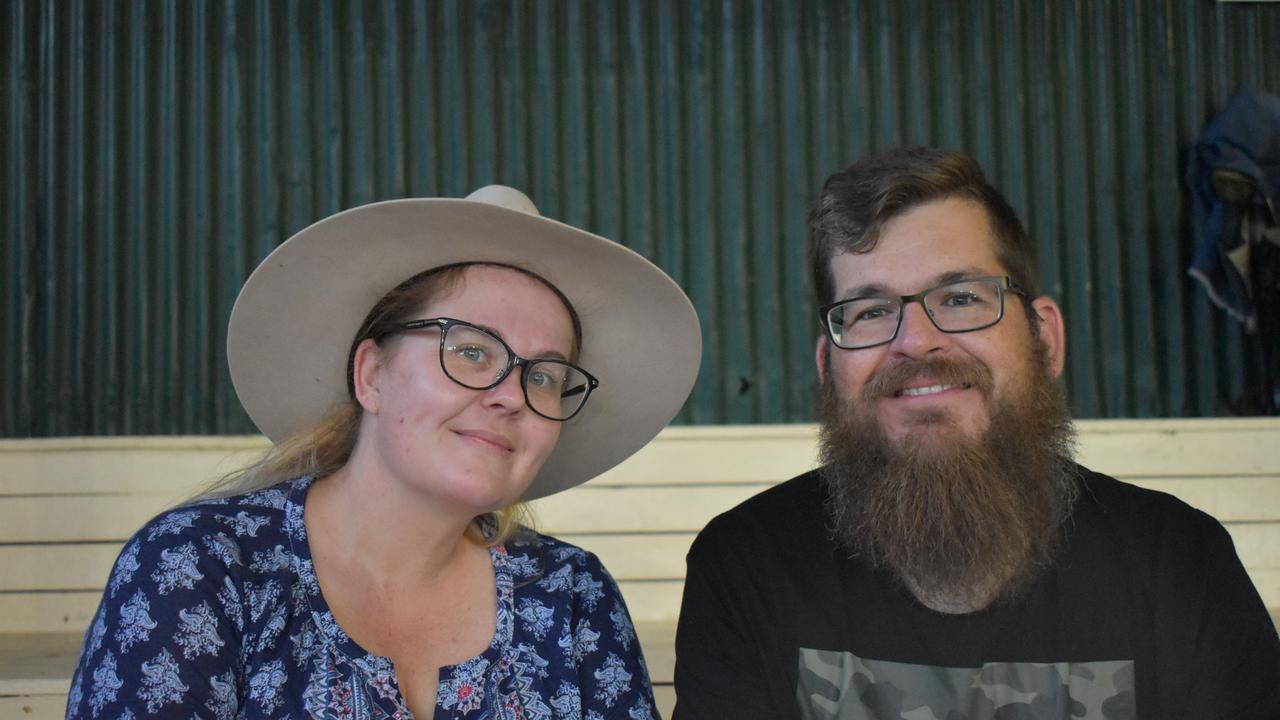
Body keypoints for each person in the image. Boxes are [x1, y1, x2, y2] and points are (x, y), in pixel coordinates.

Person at [673, 147, 1280, 719]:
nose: (915, 341)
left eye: (961, 297)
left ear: (1045, 339)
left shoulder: (1180, 567)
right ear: (829, 368)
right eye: (871, 311)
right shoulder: (748, 566)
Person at [66, 185, 701, 719]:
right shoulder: (203, 569)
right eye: (472, 350)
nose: (511, 395)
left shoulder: (570, 595)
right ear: (371, 374)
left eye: (544, 375)